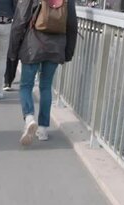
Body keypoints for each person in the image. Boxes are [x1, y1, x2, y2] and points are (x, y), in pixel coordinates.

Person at [8, 0, 78, 145]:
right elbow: (72, 25)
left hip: (32, 45)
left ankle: (29, 118)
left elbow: (20, 21)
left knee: (26, 86)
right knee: (46, 86)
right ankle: (43, 129)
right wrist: (68, 52)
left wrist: (13, 51)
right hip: (56, 47)